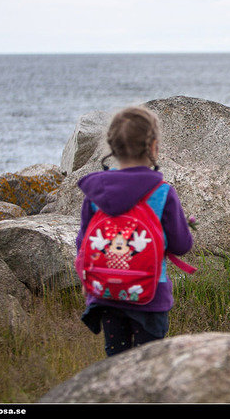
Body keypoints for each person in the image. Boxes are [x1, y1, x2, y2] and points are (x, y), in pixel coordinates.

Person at [75, 106, 193, 356]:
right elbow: (181, 245)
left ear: (112, 147)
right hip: (150, 295)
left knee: (117, 363)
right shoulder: (161, 192)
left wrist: (85, 280)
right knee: (148, 366)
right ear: (153, 147)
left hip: (107, 294)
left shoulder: (96, 193)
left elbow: (83, 243)